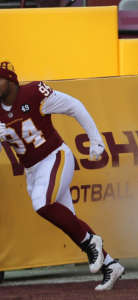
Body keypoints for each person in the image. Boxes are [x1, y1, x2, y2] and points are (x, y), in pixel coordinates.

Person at [0, 61, 124, 291]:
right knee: (70, 222)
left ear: (10, 81)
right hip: (32, 170)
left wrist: (95, 140)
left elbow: (74, 106)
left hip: (55, 157)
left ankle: (92, 242)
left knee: (42, 203)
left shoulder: (33, 93)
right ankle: (110, 265)